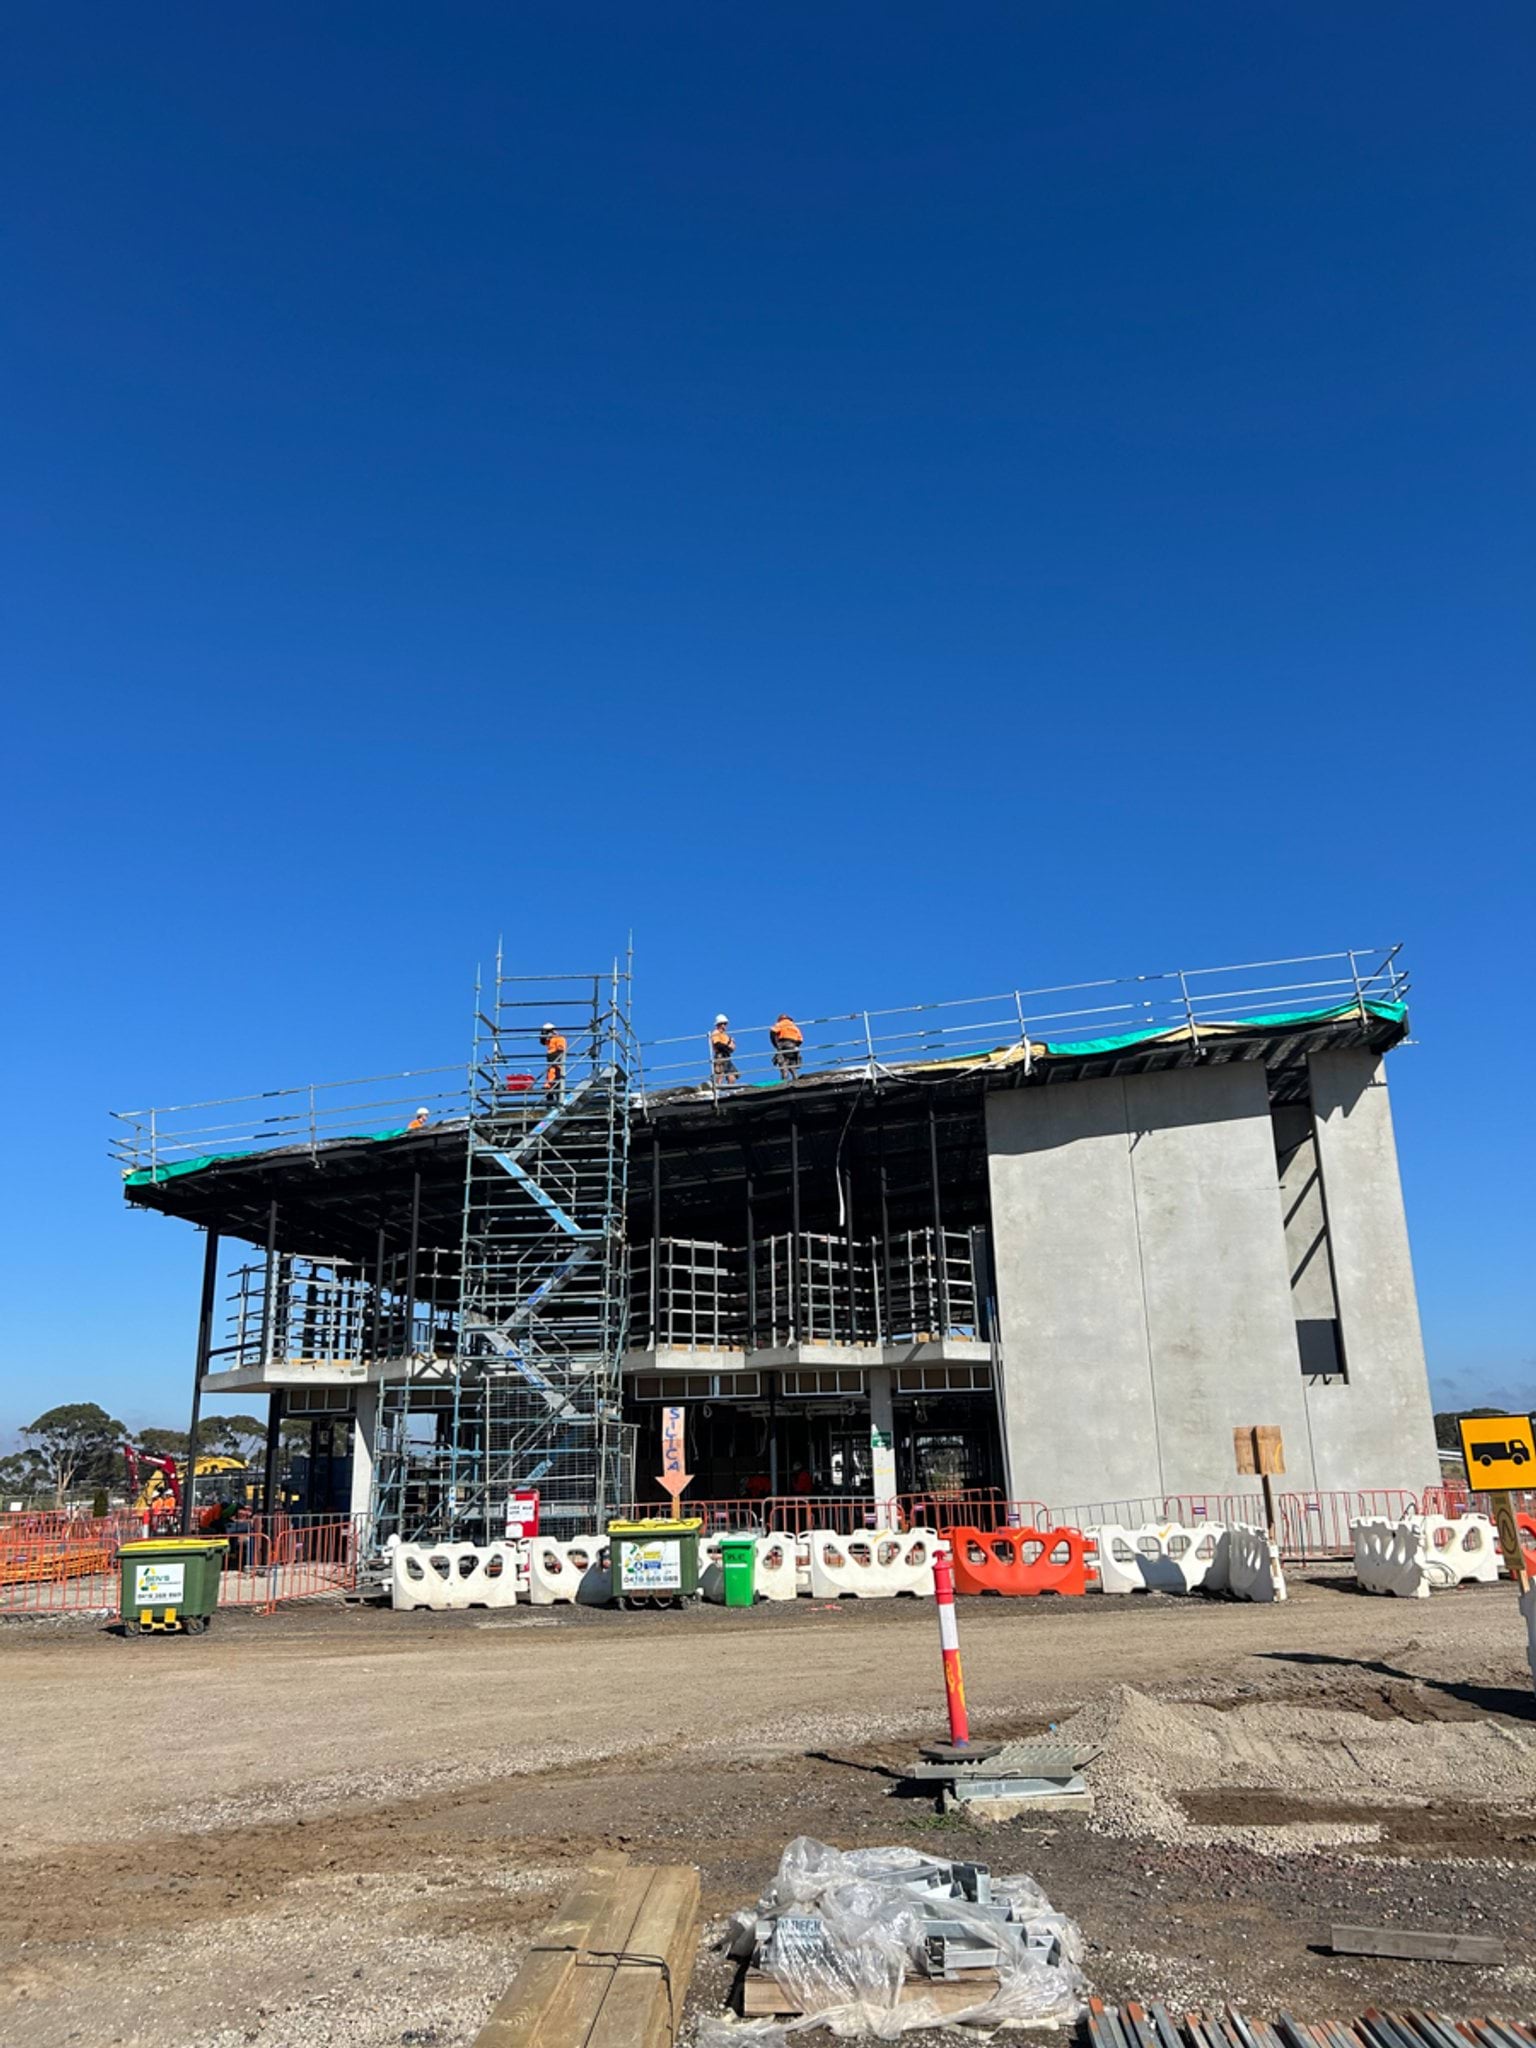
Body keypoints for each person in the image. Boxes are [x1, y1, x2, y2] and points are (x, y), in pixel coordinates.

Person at [770, 1012, 804, 1082]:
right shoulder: (794, 1027)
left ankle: (784, 1082)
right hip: (793, 1046)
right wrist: (795, 1046)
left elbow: (772, 1031)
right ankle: (796, 1080)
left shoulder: (781, 1023)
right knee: (792, 1065)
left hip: (783, 1044)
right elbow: (800, 1039)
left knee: (783, 1064)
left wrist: (775, 1044)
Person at [540, 1022, 568, 1106]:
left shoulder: (559, 1038)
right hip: (551, 1063)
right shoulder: (550, 1040)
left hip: (556, 1063)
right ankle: (550, 1104)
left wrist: (554, 1059)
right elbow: (542, 1041)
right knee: (549, 1083)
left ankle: (559, 1102)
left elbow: (560, 1051)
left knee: (556, 1081)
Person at [709, 1014, 739, 1087]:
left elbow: (732, 1047)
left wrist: (731, 1045)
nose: (725, 1025)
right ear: (719, 1024)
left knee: (732, 1076)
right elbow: (718, 1044)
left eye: (726, 1024)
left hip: (727, 1056)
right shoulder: (716, 1033)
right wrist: (728, 1047)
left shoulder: (725, 1035)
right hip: (720, 1056)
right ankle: (717, 1089)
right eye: (724, 1024)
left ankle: (731, 1089)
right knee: (720, 1075)